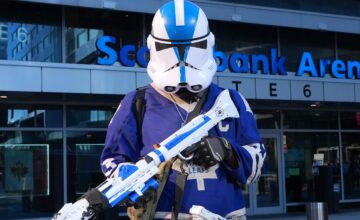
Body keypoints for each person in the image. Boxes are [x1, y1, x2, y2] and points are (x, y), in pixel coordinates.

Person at [100, 0, 266, 219]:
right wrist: (128, 176)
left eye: (193, 46)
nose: (181, 58)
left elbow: (255, 166)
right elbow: (112, 159)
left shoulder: (232, 101)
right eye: (170, 48)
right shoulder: (137, 103)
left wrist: (227, 150)